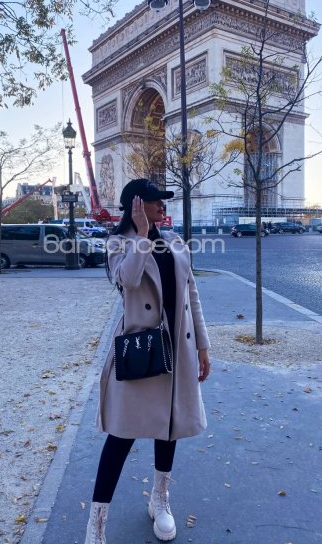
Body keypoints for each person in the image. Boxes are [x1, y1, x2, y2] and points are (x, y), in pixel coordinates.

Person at [85, 179, 211, 543]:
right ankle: (96, 523)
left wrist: (203, 346)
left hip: (178, 349)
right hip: (140, 349)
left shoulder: (174, 241)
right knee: (120, 437)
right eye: (156, 200)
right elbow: (127, 280)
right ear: (137, 205)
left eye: (163, 200)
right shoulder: (119, 242)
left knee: (169, 426)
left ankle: (159, 498)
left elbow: (191, 294)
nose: (163, 205)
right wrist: (141, 235)